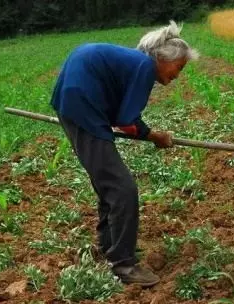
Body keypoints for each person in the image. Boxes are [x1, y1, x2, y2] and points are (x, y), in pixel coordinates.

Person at [50, 21, 199, 287]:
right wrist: (155, 136)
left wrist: (143, 131)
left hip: (75, 105)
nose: (178, 75)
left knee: (111, 186)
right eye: (179, 67)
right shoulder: (143, 67)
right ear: (164, 58)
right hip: (83, 109)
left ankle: (110, 247)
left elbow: (121, 115)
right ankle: (123, 264)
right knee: (123, 189)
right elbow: (127, 120)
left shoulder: (133, 62)